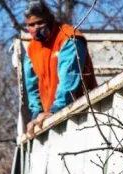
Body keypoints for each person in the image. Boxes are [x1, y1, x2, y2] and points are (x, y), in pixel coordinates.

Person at [24, 0, 97, 136]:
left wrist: (53, 111)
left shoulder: (68, 37)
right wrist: (36, 114)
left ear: (50, 19)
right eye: (31, 25)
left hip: (81, 114)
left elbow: (68, 81)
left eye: (40, 22)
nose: (36, 28)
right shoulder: (31, 49)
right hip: (50, 117)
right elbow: (32, 86)